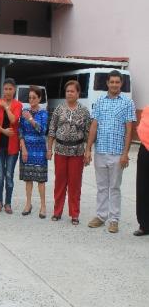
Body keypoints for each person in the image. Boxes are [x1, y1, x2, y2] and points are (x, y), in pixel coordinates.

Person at [85, 70, 136, 233]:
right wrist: (88, 149)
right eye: (112, 82)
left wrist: (125, 153)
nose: (114, 84)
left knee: (114, 187)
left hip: (117, 153)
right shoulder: (99, 101)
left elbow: (129, 130)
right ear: (107, 83)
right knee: (101, 187)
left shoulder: (128, 103)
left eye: (117, 82)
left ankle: (114, 219)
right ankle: (100, 216)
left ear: (121, 84)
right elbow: (94, 126)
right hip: (100, 151)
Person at [47, 80, 91, 225]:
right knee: (59, 182)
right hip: (60, 150)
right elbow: (52, 129)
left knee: (75, 184)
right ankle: (57, 211)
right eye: (67, 91)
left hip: (77, 152)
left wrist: (87, 151)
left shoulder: (84, 111)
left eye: (73, 91)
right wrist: (49, 148)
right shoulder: (59, 109)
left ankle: (74, 214)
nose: (70, 93)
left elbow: (88, 132)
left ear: (78, 93)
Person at [0, 78, 22, 214]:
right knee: (0, 174)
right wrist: (3, 131)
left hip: (12, 147)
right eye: (6, 89)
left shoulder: (18, 105)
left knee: (9, 175)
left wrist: (6, 107)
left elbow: (13, 120)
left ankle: (8, 203)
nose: (8, 91)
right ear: (3, 89)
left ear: (14, 90)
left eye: (10, 89)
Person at [19, 86, 48, 218]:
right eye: (30, 98)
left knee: (41, 180)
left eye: (34, 97)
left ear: (39, 98)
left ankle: (43, 206)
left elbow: (42, 130)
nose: (31, 100)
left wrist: (30, 119)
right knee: (28, 178)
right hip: (27, 149)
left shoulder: (43, 113)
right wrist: (23, 147)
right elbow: (20, 131)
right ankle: (28, 204)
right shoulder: (24, 111)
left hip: (40, 150)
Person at [134, 106, 149, 236]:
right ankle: (144, 225)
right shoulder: (146, 110)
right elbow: (142, 128)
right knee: (143, 187)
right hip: (145, 149)